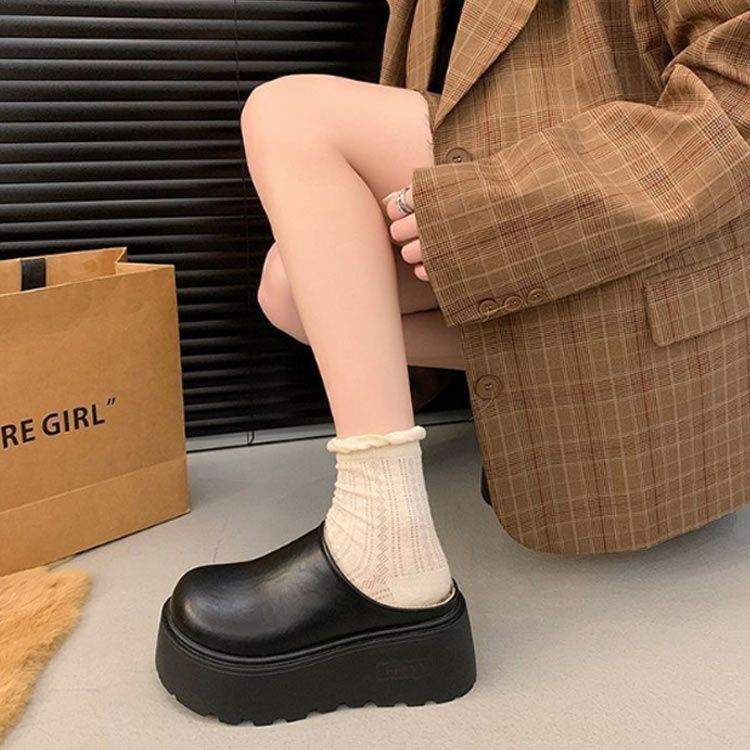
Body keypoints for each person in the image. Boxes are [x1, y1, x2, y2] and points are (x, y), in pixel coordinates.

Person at [155, 0, 750, 726]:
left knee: (289, 114)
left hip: (641, 229)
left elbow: (736, 105)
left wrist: (490, 213)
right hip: (570, 213)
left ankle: (385, 547)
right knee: (292, 289)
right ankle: (543, 400)